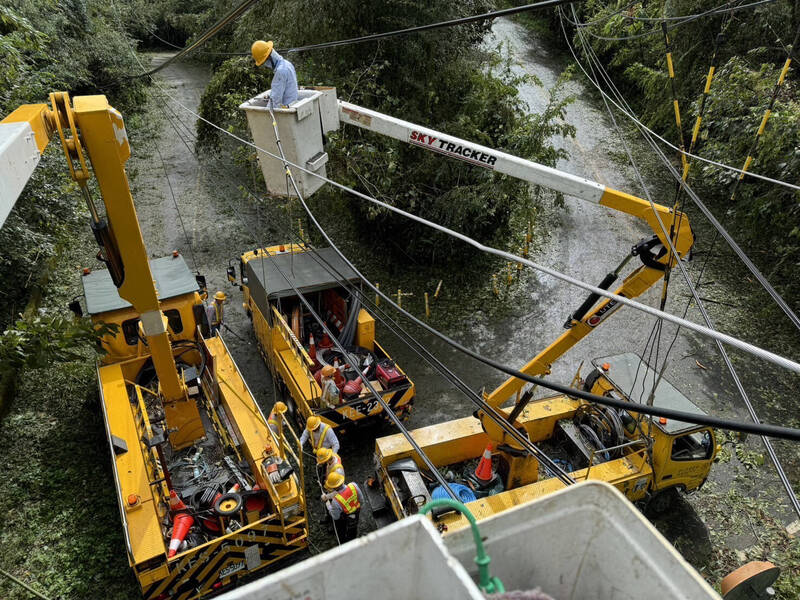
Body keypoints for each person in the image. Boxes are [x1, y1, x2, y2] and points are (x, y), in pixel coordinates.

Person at [251, 40, 298, 108]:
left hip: (287, 110)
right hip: (293, 104)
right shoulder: (287, 64)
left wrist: (265, 114)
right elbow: (285, 89)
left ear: (269, 57)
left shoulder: (280, 72)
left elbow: (275, 101)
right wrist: (270, 96)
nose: (265, 65)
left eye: (264, 62)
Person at [321, 472, 362, 543]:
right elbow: (362, 500)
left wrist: (329, 506)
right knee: (353, 529)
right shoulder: (353, 485)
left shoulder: (336, 501)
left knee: (344, 531)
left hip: (346, 518)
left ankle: (346, 543)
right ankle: (353, 539)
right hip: (357, 511)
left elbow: (335, 517)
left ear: (333, 487)